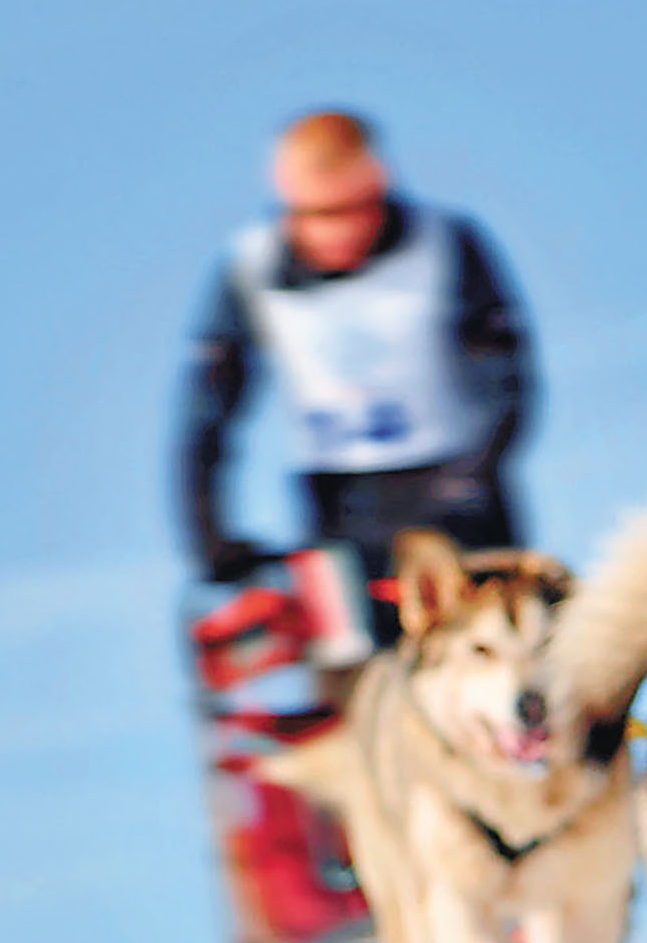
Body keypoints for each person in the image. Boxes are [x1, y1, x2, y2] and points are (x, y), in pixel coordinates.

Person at [180, 110, 535, 627]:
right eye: (316, 214)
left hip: (461, 498)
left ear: (379, 181)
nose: (336, 231)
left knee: (498, 660)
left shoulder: (446, 244)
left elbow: (508, 380)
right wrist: (209, 535)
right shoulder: (250, 270)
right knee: (353, 680)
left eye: (351, 209)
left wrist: (476, 471)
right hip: (340, 513)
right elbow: (206, 414)